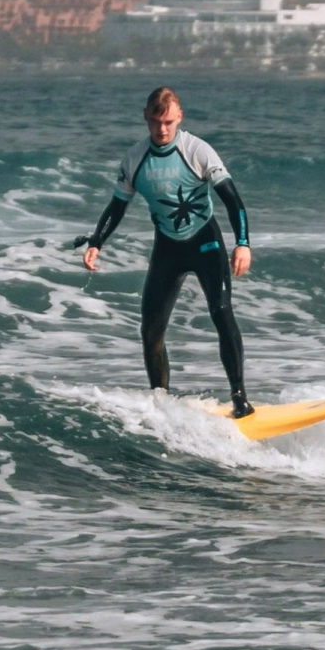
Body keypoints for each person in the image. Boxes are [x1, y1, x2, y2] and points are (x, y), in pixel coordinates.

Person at [81, 86, 255, 417]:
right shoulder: (135, 158)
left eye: (169, 122)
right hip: (167, 248)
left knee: (221, 312)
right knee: (151, 331)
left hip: (205, 242)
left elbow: (233, 201)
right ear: (146, 117)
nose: (162, 129)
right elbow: (117, 207)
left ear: (180, 118)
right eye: (155, 121)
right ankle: (161, 403)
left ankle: (240, 399)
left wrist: (242, 243)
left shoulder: (198, 151)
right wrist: (96, 242)